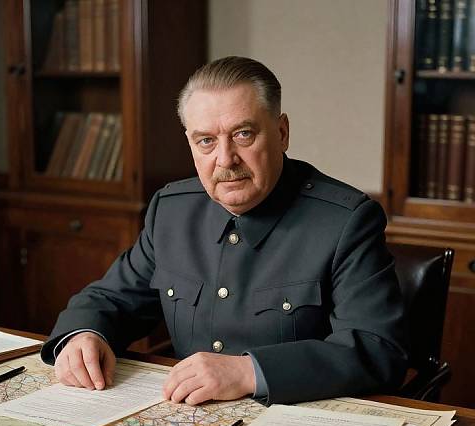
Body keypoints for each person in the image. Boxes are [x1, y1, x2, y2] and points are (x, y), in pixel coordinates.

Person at [40, 56, 407, 405]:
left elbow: (376, 348)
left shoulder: (345, 221)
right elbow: (111, 300)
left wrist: (248, 372)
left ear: (281, 133)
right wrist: (84, 334)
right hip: (187, 419)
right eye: (206, 141)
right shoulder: (171, 209)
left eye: (243, 134)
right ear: (190, 143)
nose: (225, 159)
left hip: (290, 422)